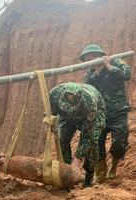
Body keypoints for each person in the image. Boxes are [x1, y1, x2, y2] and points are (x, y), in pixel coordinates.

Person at [81, 44, 132, 183]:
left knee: (120, 143)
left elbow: (127, 75)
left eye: (91, 58)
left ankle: (114, 166)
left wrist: (108, 67)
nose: (89, 61)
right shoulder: (89, 73)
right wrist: (97, 72)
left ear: (99, 55)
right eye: (87, 59)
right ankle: (101, 174)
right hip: (100, 113)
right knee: (97, 143)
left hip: (118, 110)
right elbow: (88, 89)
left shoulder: (115, 61)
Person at [49, 82, 106, 188]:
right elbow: (50, 112)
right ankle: (66, 174)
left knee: (92, 142)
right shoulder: (54, 93)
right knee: (62, 139)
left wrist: (76, 162)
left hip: (92, 115)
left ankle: (88, 179)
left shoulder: (89, 102)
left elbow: (86, 136)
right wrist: (49, 119)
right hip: (66, 117)